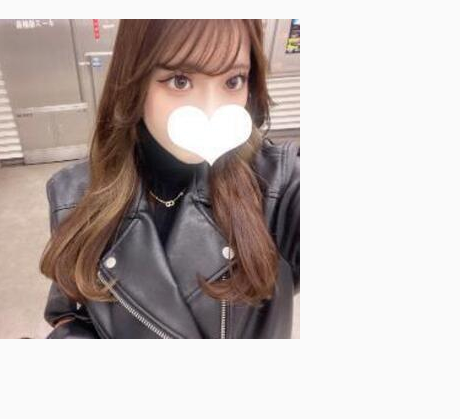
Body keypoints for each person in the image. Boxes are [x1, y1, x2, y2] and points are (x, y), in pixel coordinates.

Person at [39, 19, 299, 338]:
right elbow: (72, 311)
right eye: (180, 80)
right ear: (134, 82)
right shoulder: (75, 194)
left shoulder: (278, 183)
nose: (211, 110)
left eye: (233, 81)